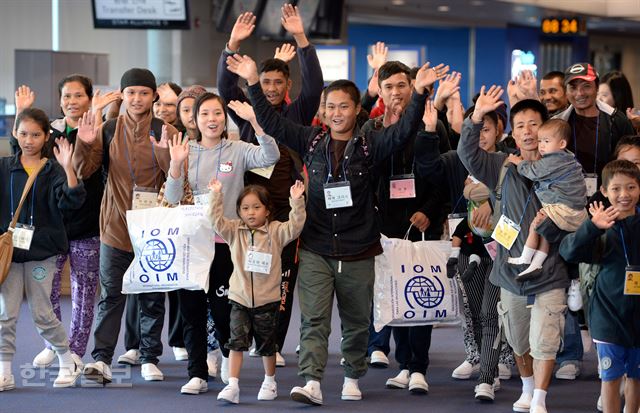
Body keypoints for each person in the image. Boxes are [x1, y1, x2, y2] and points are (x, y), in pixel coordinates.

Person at [227, 48, 439, 403]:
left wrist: (419, 94)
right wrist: (251, 82)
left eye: (344, 106)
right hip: (316, 247)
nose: (336, 113)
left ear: (357, 109)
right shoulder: (311, 141)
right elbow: (273, 122)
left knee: (356, 322)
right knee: (313, 320)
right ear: (322, 112)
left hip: (359, 248)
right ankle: (311, 380)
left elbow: (403, 131)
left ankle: (352, 377)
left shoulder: (371, 144)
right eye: (331, 107)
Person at [217, 4, 323, 367]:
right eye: (266, 83)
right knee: (244, 278)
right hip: (249, 214)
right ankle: (240, 341)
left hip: (285, 212)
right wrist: (231, 44)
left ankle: (273, 344)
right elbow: (223, 85)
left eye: (279, 82)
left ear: (287, 85)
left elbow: (316, 85)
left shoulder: (297, 115)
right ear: (257, 86)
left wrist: (300, 37)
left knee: (282, 284)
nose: (273, 88)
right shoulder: (247, 113)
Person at [458, 88, 570, 413]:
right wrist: (476, 117)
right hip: (510, 272)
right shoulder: (500, 165)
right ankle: (527, 387)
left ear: (544, 129)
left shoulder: (561, 167)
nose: (527, 131)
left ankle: (540, 398)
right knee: (519, 339)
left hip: (549, 271)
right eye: (520, 125)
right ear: (513, 133)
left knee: (544, 341)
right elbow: (468, 154)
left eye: (534, 124)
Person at [162, 93, 280, 394]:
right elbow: (172, 197)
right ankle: (197, 373)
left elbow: (270, 157)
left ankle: (229, 357)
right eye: (205, 114)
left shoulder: (237, 149)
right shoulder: (184, 150)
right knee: (191, 312)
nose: (212, 120)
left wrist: (255, 121)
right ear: (195, 119)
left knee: (224, 308)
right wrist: (175, 165)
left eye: (217, 114)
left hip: (227, 244)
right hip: (191, 245)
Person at [73, 68, 178, 384]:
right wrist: (85, 141)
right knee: (111, 296)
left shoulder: (166, 130)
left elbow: (177, 179)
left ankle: (149, 357)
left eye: (143, 93)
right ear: (123, 95)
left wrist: (164, 155)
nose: (137, 98)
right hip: (115, 224)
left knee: (151, 296)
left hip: (154, 227)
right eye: (131, 92)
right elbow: (84, 169)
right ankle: (101, 359)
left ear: (153, 96)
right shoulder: (108, 128)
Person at [15, 76, 116, 371]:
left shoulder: (101, 131)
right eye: (66, 96)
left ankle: (74, 351)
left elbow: (93, 166)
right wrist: (22, 112)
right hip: (53, 225)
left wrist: (100, 117)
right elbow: (23, 150)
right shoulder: (48, 132)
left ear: (89, 99)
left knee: (84, 292)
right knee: (45, 290)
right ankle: (54, 345)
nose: (72, 101)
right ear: (60, 101)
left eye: (78, 96)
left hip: (88, 224)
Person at [360, 60, 448, 392]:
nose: (396, 93)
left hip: (423, 223)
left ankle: (419, 367)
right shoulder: (372, 130)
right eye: (389, 87)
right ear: (379, 91)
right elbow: (366, 177)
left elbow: (443, 176)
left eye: (401, 85)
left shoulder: (431, 124)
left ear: (412, 87)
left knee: (421, 292)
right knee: (395, 296)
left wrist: (430, 211)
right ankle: (404, 363)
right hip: (386, 225)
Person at [0, 108, 86, 390]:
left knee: (41, 311)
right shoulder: (4, 167)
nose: (29, 140)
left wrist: (69, 168)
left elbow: (71, 203)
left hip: (43, 254)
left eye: (36, 134)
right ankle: (4, 371)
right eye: (23, 133)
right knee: (6, 313)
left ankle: (65, 360)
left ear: (46, 136)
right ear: (15, 134)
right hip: (10, 255)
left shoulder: (53, 169)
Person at [211, 180, 306, 404]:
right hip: (239, 299)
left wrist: (296, 201)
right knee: (236, 342)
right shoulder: (234, 231)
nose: (251, 212)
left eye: (256, 207)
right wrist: (216, 196)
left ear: (267, 210)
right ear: (239, 212)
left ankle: (269, 381)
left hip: (268, 301)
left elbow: (296, 225)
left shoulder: (276, 231)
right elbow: (215, 221)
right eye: (245, 208)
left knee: (267, 345)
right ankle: (232, 384)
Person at [560, 159, 640, 413]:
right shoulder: (599, 224)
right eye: (616, 189)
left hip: (638, 317)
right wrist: (592, 228)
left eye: (631, 187)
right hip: (607, 317)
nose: (624, 195)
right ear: (604, 191)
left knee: (636, 377)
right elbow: (569, 252)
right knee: (611, 378)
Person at [506, 119, 588, 279]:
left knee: (535, 224)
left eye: (546, 141)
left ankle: (525, 258)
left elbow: (534, 172)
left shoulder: (553, 160)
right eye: (540, 141)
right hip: (576, 210)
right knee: (544, 231)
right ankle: (536, 263)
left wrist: (518, 162)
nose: (541, 145)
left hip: (564, 208)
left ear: (562, 143)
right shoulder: (567, 157)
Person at [554, 63, 634, 179]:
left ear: (597, 88)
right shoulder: (557, 123)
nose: (580, 93)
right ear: (566, 92)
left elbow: (631, 162)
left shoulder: (617, 120)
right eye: (573, 87)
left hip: (609, 193)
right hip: (568, 194)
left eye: (586, 86)